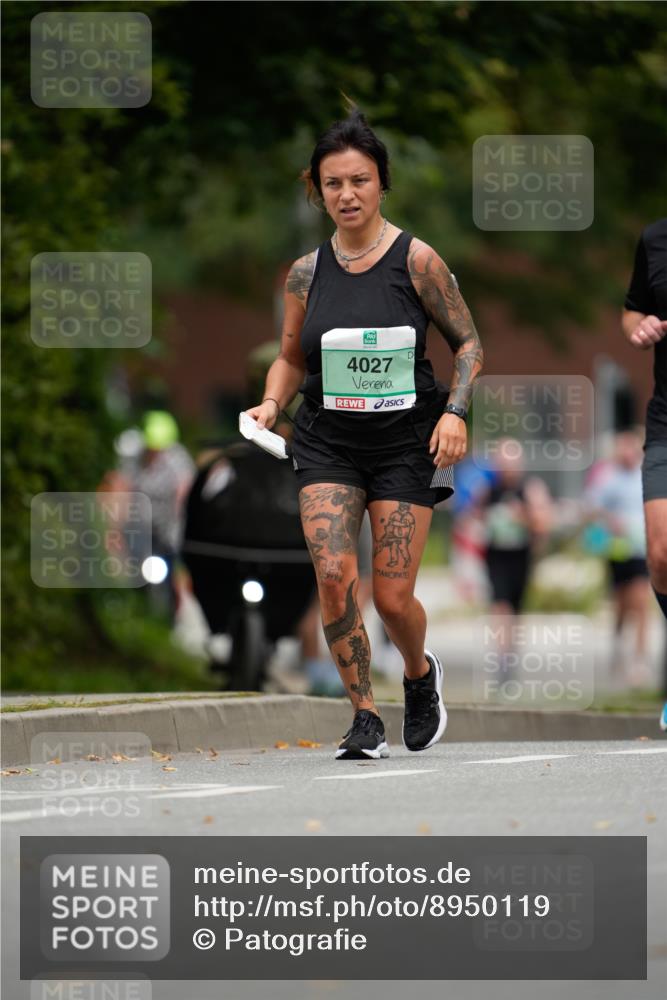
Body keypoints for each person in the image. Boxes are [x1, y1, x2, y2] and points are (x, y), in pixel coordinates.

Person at [247, 109, 483, 759]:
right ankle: (362, 716)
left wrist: (454, 413)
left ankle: (416, 675)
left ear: (381, 184)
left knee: (392, 595)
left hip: (407, 441)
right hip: (326, 440)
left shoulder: (418, 261)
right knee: (331, 574)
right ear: (315, 190)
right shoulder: (305, 273)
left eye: (359, 180)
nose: (346, 194)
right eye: (332, 184)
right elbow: (292, 356)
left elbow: (467, 344)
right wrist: (271, 402)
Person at [621, 219, 667, 725]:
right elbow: (632, 310)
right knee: (661, 554)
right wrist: (641, 328)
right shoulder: (655, 240)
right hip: (666, 420)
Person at [473, 439, 552, 678]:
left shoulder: (530, 488)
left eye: (510, 465)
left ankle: (510, 655)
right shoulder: (489, 489)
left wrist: (523, 516)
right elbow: (473, 517)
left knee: (515, 609)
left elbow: (544, 525)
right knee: (501, 605)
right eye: (501, 464)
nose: (505, 470)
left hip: (521, 556)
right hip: (496, 556)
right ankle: (502, 660)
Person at [585, 430, 651, 687]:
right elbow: (591, 509)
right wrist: (610, 521)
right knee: (623, 605)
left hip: (641, 549)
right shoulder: (607, 477)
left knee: (641, 602)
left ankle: (640, 660)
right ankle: (618, 645)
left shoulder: (645, 476)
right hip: (616, 550)